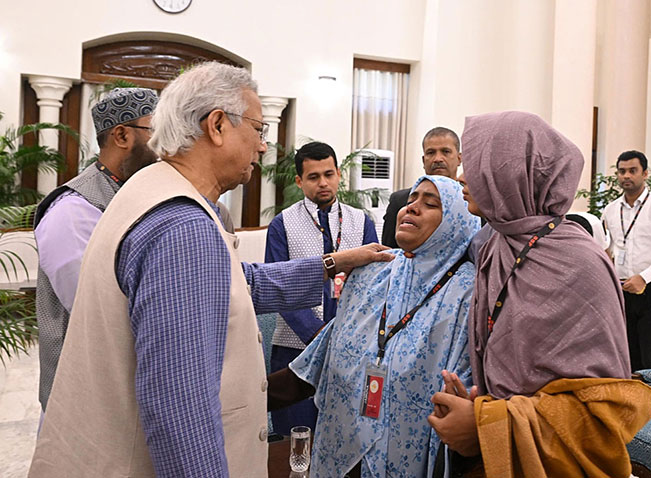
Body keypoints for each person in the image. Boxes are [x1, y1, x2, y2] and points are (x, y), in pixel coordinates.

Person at [29, 62, 392, 477]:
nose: (262, 147)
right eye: (258, 129)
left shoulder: (151, 190)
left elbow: (238, 281)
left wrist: (333, 262)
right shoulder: (183, 227)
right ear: (217, 125)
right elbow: (181, 413)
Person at [428, 111, 651, 478]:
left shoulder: (578, 261)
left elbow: (604, 412)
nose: (462, 177)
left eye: (477, 164)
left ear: (514, 174)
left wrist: (486, 423)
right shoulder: (498, 245)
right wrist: (477, 405)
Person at [268, 175, 480, 478]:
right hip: (339, 453)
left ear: (456, 222)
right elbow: (320, 358)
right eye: (411, 200)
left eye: (431, 204)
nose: (412, 208)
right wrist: (241, 399)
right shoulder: (372, 271)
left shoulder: (468, 292)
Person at [33, 87, 159, 413]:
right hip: (79, 401)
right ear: (122, 135)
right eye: (157, 131)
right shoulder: (73, 209)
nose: (166, 144)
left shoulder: (133, 194)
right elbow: (97, 310)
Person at [265, 140, 379, 435]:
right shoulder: (282, 225)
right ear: (299, 181)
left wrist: (347, 335)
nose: (323, 183)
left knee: (346, 432)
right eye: (313, 177)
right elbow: (278, 287)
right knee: (297, 434)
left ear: (339, 174)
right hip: (294, 347)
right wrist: (316, 335)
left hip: (351, 347)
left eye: (328, 174)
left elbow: (374, 285)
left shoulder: (361, 222)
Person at [602, 150, 651, 371]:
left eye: (632, 170)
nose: (626, 176)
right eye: (622, 171)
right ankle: (631, 393)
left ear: (645, 173)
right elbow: (608, 247)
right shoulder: (610, 210)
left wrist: (644, 277)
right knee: (627, 354)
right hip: (622, 289)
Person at [381, 127, 462, 248]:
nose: (438, 159)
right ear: (424, 161)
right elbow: (389, 251)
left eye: (445, 151)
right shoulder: (400, 201)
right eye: (431, 153)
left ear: (459, 158)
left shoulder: (472, 202)